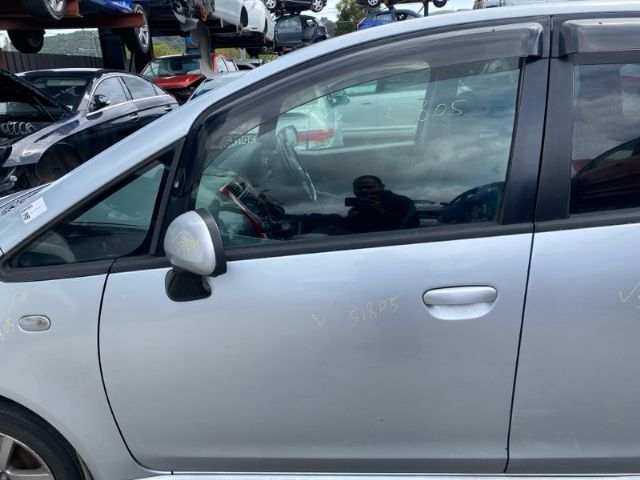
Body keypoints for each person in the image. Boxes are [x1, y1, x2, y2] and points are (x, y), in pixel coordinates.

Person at [346, 175, 419, 233]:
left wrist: (381, 212)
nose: (364, 190)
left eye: (370, 187)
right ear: (354, 190)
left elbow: (410, 226)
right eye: (359, 188)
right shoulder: (356, 207)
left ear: (382, 187)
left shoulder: (400, 201)